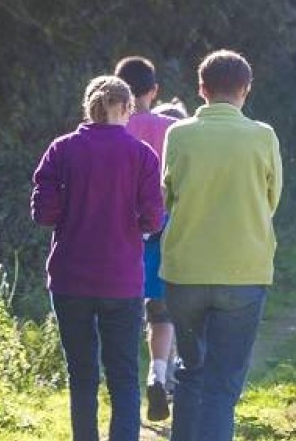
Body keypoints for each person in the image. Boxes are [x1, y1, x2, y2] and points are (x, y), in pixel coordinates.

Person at [30, 75, 165, 441]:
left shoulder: (61, 150)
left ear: (89, 107)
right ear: (126, 109)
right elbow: (154, 218)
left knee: (82, 374)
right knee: (123, 374)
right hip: (122, 279)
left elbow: (43, 213)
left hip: (70, 277)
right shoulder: (142, 155)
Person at [160, 50, 283, 441]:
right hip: (244, 271)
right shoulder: (263, 136)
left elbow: (168, 195)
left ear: (201, 89)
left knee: (190, 371)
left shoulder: (178, 134)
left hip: (185, 269)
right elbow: (272, 197)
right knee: (222, 383)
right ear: (246, 89)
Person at [114, 56, 181, 422]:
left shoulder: (110, 130)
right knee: (161, 308)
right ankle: (159, 374)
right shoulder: (173, 127)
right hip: (163, 227)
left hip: (116, 231)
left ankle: (123, 391)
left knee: (121, 311)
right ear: (154, 91)